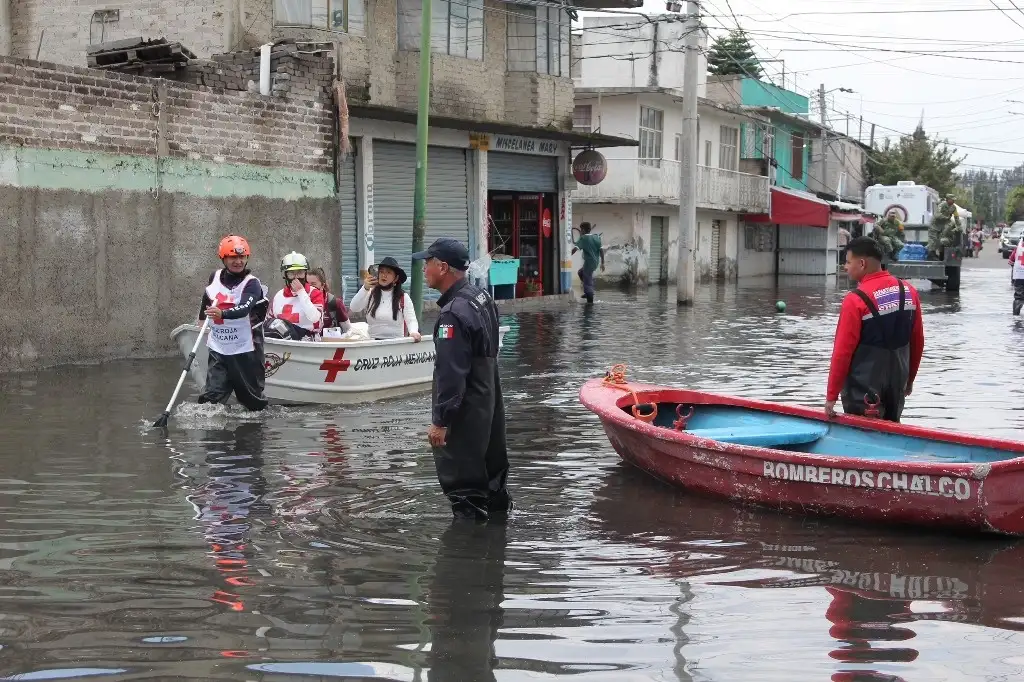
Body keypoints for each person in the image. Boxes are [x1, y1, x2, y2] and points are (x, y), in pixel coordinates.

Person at [412, 237, 511, 521]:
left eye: (427, 263)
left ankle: (466, 557)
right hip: (489, 401)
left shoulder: (452, 314)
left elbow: (451, 372)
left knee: (465, 488)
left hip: (466, 409)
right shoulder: (481, 297)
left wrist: (441, 421)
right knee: (493, 480)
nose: (424, 269)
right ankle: (496, 546)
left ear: (443, 267)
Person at [825, 237, 924, 423]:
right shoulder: (909, 292)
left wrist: (831, 396)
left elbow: (842, 353)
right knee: (891, 435)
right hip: (897, 386)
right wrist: (909, 380)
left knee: (861, 439)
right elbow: (917, 341)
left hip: (863, 392)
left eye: (847, 261)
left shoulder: (855, 300)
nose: (845, 267)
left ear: (862, 263)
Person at [197, 235, 269, 411]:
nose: (238, 261)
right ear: (223, 258)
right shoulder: (214, 277)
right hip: (220, 348)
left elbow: (244, 308)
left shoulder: (252, 284)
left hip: (247, 350)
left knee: (253, 404)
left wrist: (222, 313)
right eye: (233, 257)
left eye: (241, 257)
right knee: (211, 401)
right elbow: (207, 298)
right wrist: (201, 322)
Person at [349, 256, 421, 340]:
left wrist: (414, 332)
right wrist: (365, 288)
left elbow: (411, 319)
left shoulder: (403, 297)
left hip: (396, 344)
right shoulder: (370, 293)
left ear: (396, 278)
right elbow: (354, 308)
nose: (384, 275)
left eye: (388, 272)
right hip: (372, 343)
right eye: (381, 272)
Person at [266, 251, 325, 340]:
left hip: (308, 342)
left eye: (300, 272)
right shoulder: (279, 295)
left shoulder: (315, 293)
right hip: (282, 343)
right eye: (292, 273)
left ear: (305, 274)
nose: (296, 277)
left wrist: (301, 292)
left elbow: (315, 318)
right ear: (285, 275)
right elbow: (269, 321)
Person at [307, 267, 351, 332]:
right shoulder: (300, 302)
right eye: (307, 284)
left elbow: (347, 330)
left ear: (322, 286)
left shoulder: (335, 303)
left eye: (313, 284)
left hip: (329, 341)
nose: (310, 288)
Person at [572, 222, 604, 304]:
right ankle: (588, 291)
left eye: (581, 230)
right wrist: (602, 263)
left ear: (582, 230)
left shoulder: (583, 238)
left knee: (587, 280)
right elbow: (601, 251)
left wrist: (567, 256)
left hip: (589, 263)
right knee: (580, 272)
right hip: (595, 262)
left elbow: (575, 249)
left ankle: (590, 298)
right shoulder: (597, 237)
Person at [927, 194, 961, 260]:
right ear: (948, 199)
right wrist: (946, 218)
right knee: (933, 240)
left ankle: (936, 254)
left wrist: (959, 226)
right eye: (952, 200)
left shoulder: (953, 207)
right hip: (934, 225)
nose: (954, 201)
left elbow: (956, 217)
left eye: (954, 200)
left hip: (942, 226)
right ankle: (931, 255)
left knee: (938, 241)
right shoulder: (942, 205)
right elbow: (937, 215)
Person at [1010, 238, 1024, 315]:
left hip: (1019, 276)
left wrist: (1012, 279)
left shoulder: (1017, 248)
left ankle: (1016, 315)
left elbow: (1011, 262)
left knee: (1018, 297)